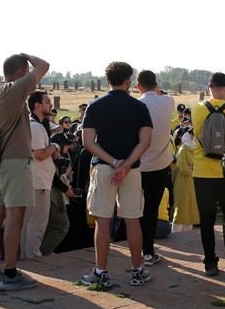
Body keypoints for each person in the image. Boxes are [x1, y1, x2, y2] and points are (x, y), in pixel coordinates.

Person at [0, 52, 49, 291]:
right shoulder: (13, 89)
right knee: (15, 215)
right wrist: (26, 55)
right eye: (25, 71)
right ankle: (9, 272)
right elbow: (44, 65)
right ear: (20, 73)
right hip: (15, 160)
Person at [79, 61, 153, 289]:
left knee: (103, 221)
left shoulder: (95, 106)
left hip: (103, 167)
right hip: (131, 170)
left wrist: (113, 162)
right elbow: (145, 141)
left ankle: (101, 271)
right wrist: (127, 164)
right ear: (128, 81)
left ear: (107, 80)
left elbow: (87, 142)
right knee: (132, 220)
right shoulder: (139, 108)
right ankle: (138, 269)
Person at [190, 72, 225, 277]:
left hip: (202, 171)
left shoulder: (196, 108)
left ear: (208, 88)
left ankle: (210, 263)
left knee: (206, 219)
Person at [134, 70, 175, 267]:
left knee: (139, 209)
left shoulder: (136, 105)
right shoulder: (168, 102)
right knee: (152, 207)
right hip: (161, 164)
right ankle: (148, 250)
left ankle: (142, 249)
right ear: (156, 85)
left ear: (137, 86)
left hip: (140, 165)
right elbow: (161, 95)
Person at [21, 90, 58, 261]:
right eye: (47, 102)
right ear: (37, 105)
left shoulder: (34, 125)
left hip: (36, 180)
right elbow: (40, 154)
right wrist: (55, 146)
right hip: (38, 181)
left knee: (30, 222)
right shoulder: (35, 127)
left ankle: (26, 256)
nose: (50, 105)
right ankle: (32, 256)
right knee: (37, 222)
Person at [171, 125, 200, 229]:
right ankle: (177, 234)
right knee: (181, 209)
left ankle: (188, 233)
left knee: (190, 209)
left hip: (193, 183)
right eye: (192, 134)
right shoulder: (183, 149)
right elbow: (182, 167)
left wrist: (192, 168)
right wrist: (192, 169)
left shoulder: (196, 149)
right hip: (183, 183)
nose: (194, 137)